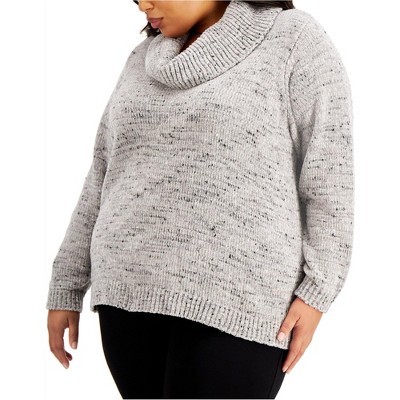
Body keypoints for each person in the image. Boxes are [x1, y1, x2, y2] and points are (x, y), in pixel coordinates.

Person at [46, 0, 354, 398]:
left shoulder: (293, 39)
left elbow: (329, 177)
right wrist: (67, 285)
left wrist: (317, 292)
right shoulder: (142, 58)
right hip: (126, 298)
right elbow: (103, 175)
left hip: (238, 302)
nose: (142, 5)